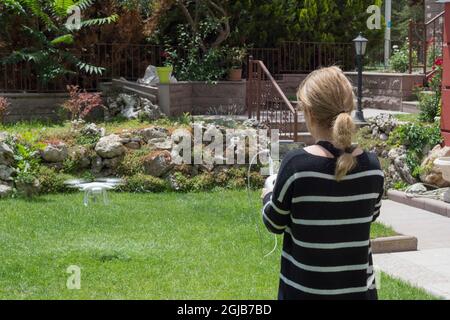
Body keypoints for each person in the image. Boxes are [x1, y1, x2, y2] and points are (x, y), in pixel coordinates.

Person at [262, 66, 384, 300]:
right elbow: (371, 214)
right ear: (350, 108)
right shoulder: (372, 166)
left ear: (308, 112)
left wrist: (268, 194)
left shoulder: (297, 165)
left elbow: (274, 223)